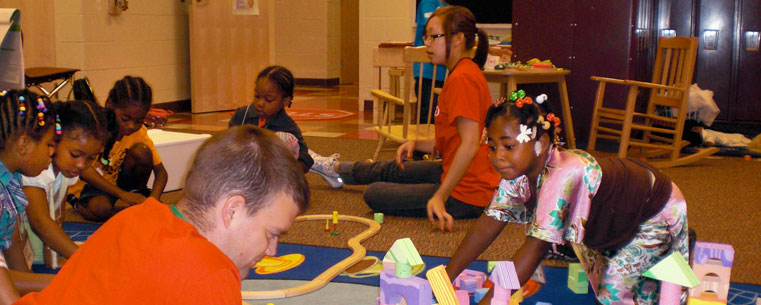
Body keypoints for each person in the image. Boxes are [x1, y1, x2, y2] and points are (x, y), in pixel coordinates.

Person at [16, 125, 310, 304]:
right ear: (232, 210)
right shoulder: (211, 277)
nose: (272, 250)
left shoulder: (134, 218)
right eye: (271, 234)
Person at [445, 91, 690, 305]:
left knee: (615, 296)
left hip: (654, 211)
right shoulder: (515, 171)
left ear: (540, 143)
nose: (497, 156)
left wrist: (493, 301)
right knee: (594, 274)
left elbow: (536, 247)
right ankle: (641, 253)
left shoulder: (564, 173)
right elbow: (488, 224)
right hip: (613, 218)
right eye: (492, 147)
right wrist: (446, 277)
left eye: (508, 146)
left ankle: (666, 243)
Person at [310, 6, 499, 231]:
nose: (427, 42)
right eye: (426, 36)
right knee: (392, 168)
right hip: (457, 174)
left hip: (466, 195)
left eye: (434, 36)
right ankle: (336, 169)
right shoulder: (461, 72)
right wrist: (417, 144)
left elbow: (469, 144)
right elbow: (456, 139)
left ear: (458, 39)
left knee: (375, 193)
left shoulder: (463, 78)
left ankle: (341, 172)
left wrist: (440, 195)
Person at [67, 76, 168, 222]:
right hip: (90, 186)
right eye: (125, 119)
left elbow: (161, 173)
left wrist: (154, 199)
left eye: (139, 121)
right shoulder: (95, 129)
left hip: (117, 183)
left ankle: (138, 194)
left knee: (142, 152)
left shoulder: (138, 133)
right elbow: (84, 169)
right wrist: (122, 194)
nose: (131, 126)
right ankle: (80, 205)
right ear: (110, 104)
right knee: (100, 209)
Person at [22, 100, 108, 266]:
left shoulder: (66, 169)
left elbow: (58, 216)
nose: (82, 165)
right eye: (75, 155)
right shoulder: (34, 171)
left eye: (91, 158)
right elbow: (41, 222)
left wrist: (55, 257)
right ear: (54, 140)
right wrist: (82, 258)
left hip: (35, 248)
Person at [0, 90, 56, 303]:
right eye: (49, 144)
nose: (52, 152)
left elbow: (11, 244)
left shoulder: (10, 178)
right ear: (23, 145)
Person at [229, 65, 314, 174]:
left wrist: (286, 173)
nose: (260, 103)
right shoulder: (242, 115)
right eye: (257, 96)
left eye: (268, 100)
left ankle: (319, 162)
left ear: (285, 101)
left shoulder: (288, 127)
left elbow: (304, 160)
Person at [413, 0, 448, 123]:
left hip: (443, 72)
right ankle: (422, 141)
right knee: (427, 113)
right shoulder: (427, 3)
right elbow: (432, 26)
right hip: (426, 71)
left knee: (439, 113)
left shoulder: (447, 7)